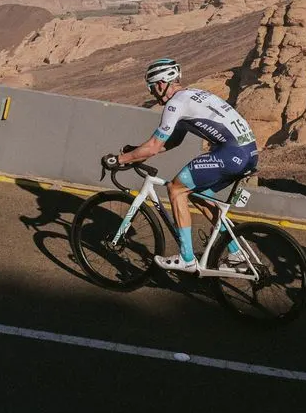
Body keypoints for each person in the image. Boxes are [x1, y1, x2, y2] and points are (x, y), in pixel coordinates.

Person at [110, 58, 257, 273]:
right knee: (199, 194)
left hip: (230, 153)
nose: (152, 93)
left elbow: (153, 147)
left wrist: (119, 159)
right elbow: (172, 141)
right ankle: (236, 253)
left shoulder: (175, 104)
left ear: (161, 84)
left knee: (176, 189)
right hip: (249, 153)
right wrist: (135, 152)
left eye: (152, 88)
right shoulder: (194, 95)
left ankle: (187, 258)